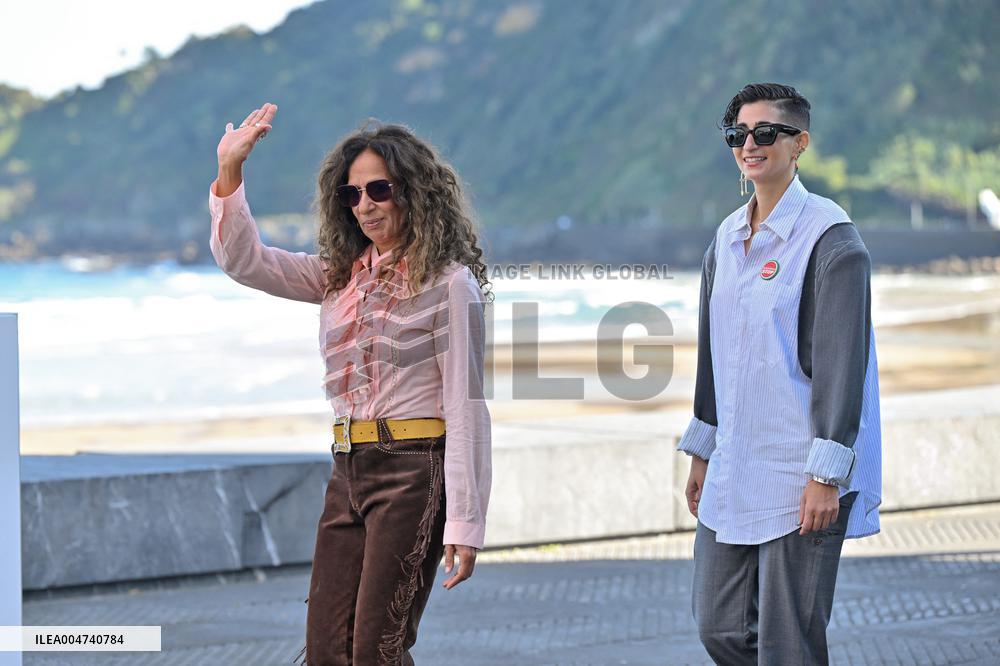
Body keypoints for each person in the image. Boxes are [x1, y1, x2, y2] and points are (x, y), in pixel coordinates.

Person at [209, 103, 492, 665]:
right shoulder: (337, 277)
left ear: (414, 192)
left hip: (415, 469)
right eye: (352, 194)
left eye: (379, 190)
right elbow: (246, 261)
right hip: (348, 470)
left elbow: (466, 408)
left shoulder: (449, 284)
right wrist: (229, 173)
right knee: (325, 651)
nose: (364, 205)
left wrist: (465, 520)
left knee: (374, 651)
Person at [676, 83, 882, 664]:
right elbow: (714, 356)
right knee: (719, 627)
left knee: (788, 645)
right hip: (737, 464)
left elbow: (845, 367)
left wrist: (826, 475)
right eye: (738, 135)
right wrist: (703, 449)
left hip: (802, 472)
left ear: (800, 144)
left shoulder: (831, 240)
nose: (750, 144)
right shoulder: (725, 238)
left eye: (766, 132)